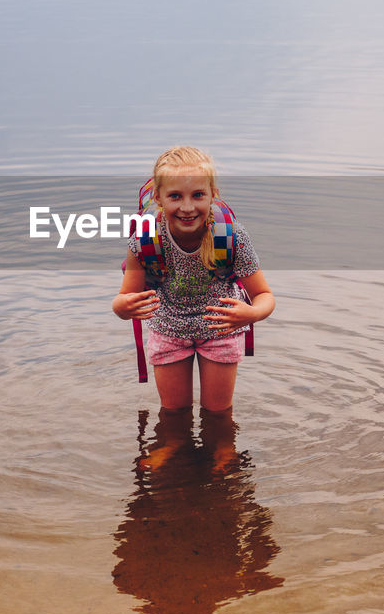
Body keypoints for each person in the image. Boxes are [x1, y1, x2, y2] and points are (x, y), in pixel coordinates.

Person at [112, 146, 275, 419]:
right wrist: (123, 308)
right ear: (159, 198)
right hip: (168, 329)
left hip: (220, 330)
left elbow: (264, 295)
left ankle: (221, 456)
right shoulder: (144, 240)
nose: (187, 207)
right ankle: (173, 450)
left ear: (214, 195)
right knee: (173, 414)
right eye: (175, 196)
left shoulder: (232, 236)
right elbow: (122, 299)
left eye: (198, 195)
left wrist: (251, 314)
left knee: (218, 414)